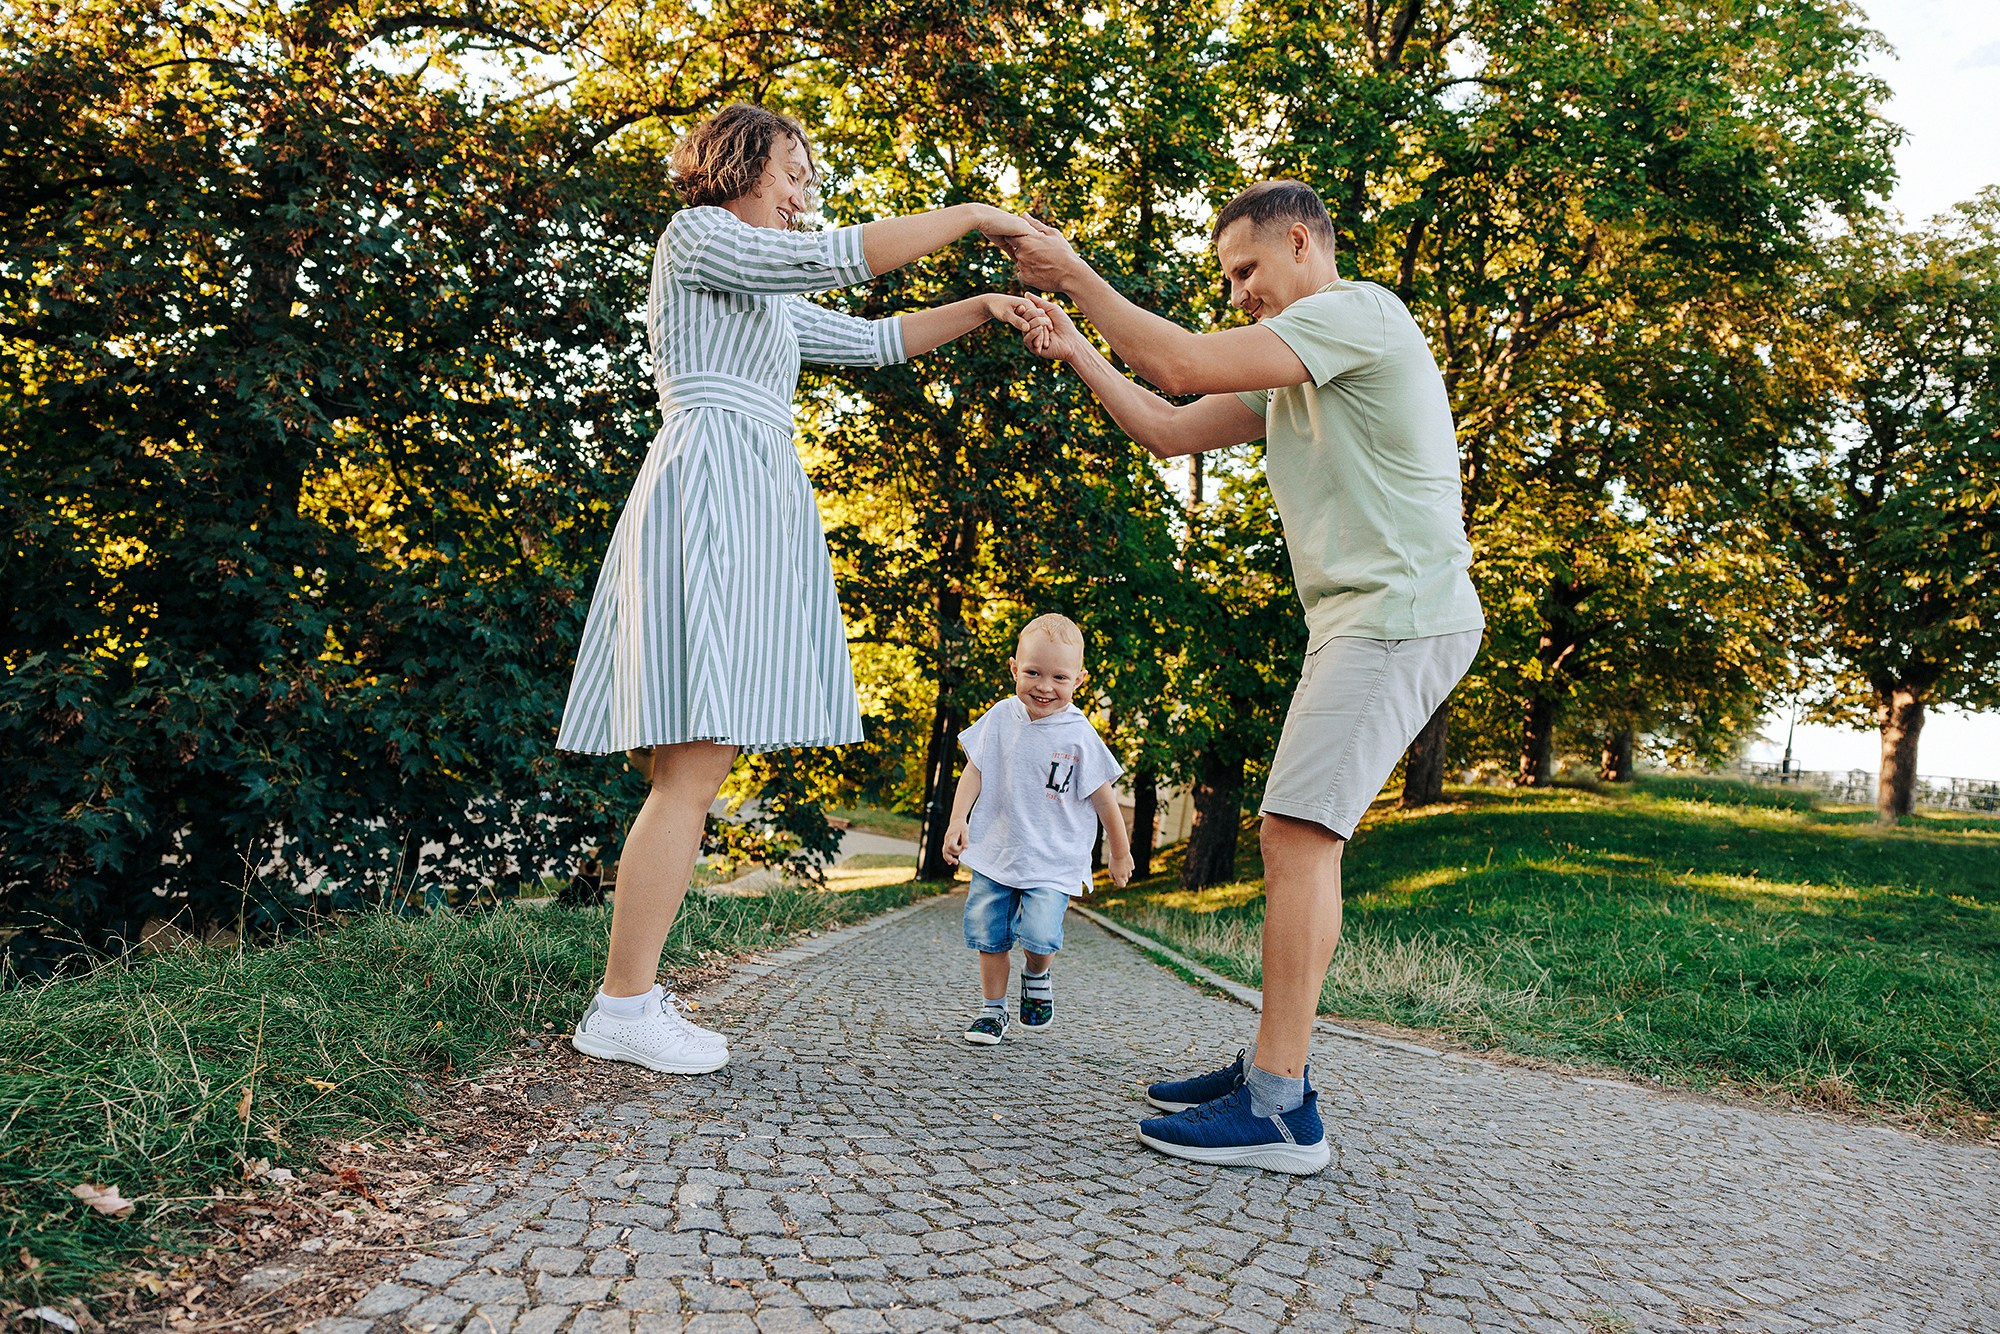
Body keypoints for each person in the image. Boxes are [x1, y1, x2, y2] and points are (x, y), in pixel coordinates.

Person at [1006, 181, 1484, 1172]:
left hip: (1395, 614)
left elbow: (1179, 359)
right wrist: (1079, 347)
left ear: (1301, 242)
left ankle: (1277, 1105)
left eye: (1244, 271)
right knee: (1295, 834)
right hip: (1359, 620)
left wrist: (1074, 273)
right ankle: (1275, 1068)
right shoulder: (1295, 366)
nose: (1236, 294)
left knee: (1296, 835)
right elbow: (1167, 422)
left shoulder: (1357, 314)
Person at [560, 103, 1042, 1075]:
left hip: (745, 495)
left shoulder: (761, 292)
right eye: (793, 173)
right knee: (691, 768)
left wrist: (986, 306)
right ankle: (622, 1004)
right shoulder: (699, 237)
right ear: (738, 163)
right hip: (709, 492)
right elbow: (833, 257)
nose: (802, 195)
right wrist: (974, 215)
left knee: (699, 765)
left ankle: (631, 995)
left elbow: (874, 341)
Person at [941, 614, 1135, 1045]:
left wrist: (1120, 853)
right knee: (990, 935)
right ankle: (992, 1011)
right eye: (1033, 672)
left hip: (1053, 859)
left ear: (1079, 680)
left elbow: (1105, 800)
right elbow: (974, 770)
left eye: (1059, 677)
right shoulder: (1000, 717)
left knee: (1041, 934)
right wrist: (958, 819)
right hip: (996, 851)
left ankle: (1036, 973)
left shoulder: (1079, 735)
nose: (1044, 686)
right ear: (1014, 668)